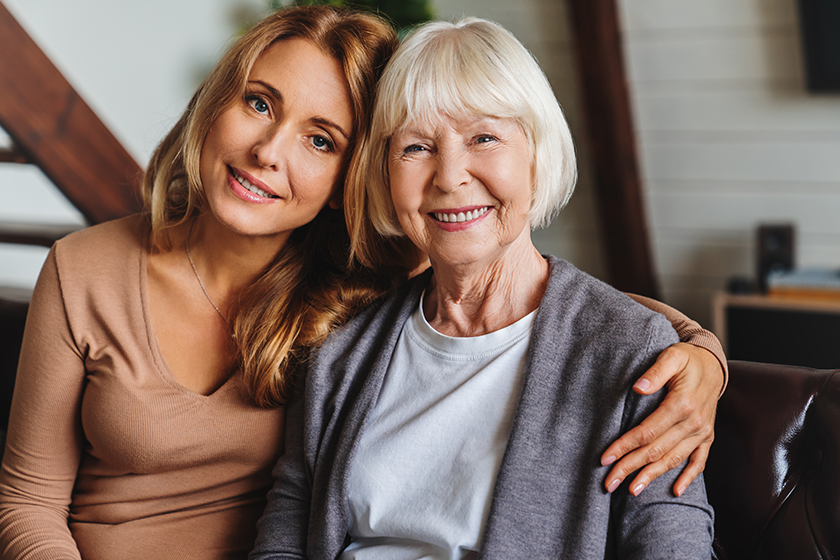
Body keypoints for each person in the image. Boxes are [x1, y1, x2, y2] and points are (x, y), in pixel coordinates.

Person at [0, 5, 718, 560]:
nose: (267, 152)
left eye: (321, 139)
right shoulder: (90, 270)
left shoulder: (354, 286)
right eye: (258, 102)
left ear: (350, 179)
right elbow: (27, 502)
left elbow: (552, 307)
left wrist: (702, 357)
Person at [251, 17, 714, 559]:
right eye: (416, 147)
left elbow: (670, 542)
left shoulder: (632, 352)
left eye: (485, 138)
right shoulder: (341, 352)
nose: (449, 176)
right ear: (384, 173)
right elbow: (287, 526)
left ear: (538, 156)